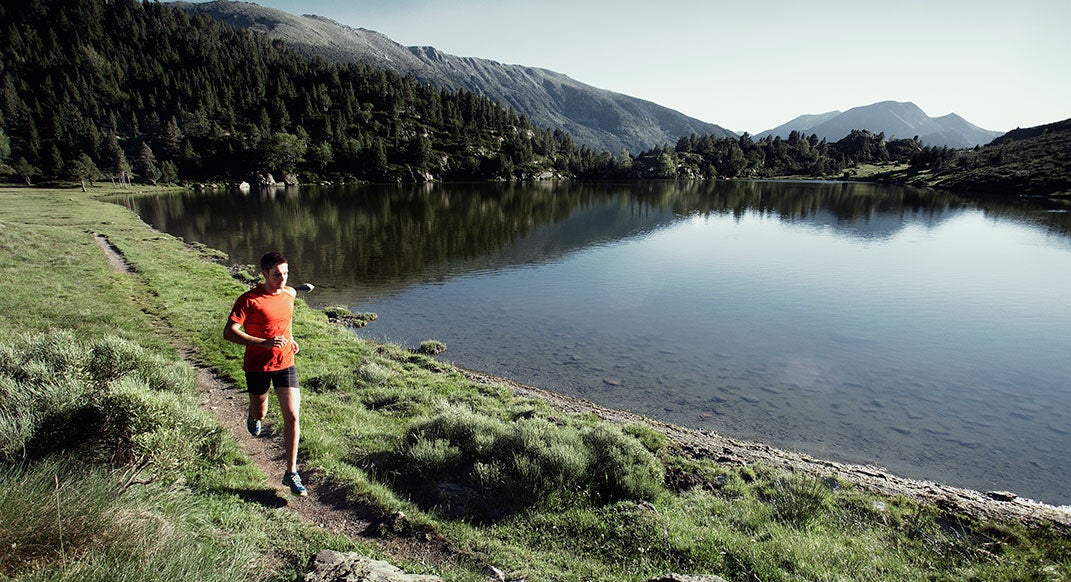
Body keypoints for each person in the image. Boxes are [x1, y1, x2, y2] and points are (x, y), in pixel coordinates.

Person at [223, 251, 307, 497]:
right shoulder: (249, 300)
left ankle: (291, 472)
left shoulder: (290, 294)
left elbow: (286, 321)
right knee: (260, 410)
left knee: (292, 416)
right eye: (277, 275)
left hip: (285, 362)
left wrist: (291, 339)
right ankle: (254, 415)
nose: (282, 279)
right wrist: (263, 343)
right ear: (264, 274)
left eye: (286, 274)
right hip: (257, 365)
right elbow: (229, 332)